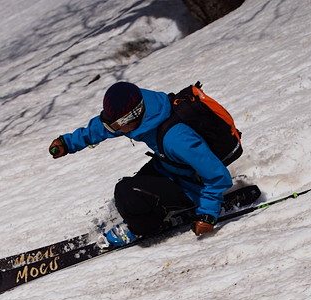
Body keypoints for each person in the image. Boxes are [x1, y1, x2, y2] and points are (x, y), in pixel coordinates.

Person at [49, 81, 235, 246]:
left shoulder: (177, 139)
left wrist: (208, 215)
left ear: (132, 117)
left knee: (127, 192)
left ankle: (142, 228)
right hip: (172, 167)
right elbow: (101, 127)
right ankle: (152, 211)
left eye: (116, 126)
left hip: (193, 184)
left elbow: (217, 175)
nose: (114, 130)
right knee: (136, 190)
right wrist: (68, 143)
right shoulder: (143, 113)